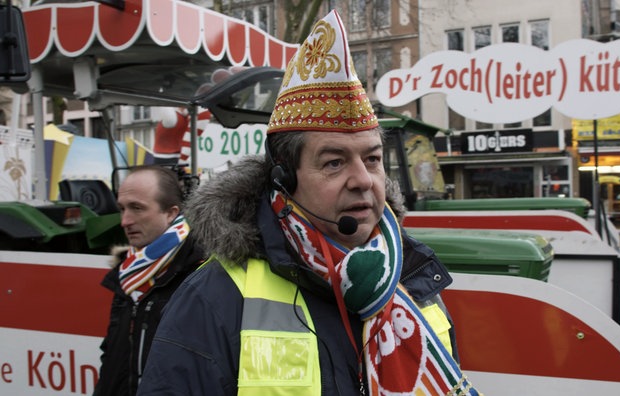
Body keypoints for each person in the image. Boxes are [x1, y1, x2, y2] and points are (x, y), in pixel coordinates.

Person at [137, 10, 480, 396]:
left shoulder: (415, 279)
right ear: (284, 178)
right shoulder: (215, 297)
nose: (364, 180)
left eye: (372, 159)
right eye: (334, 162)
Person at [94, 165, 206, 396]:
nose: (125, 221)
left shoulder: (201, 274)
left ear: (171, 213)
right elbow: (112, 357)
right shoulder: (128, 272)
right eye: (122, 208)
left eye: (137, 208)